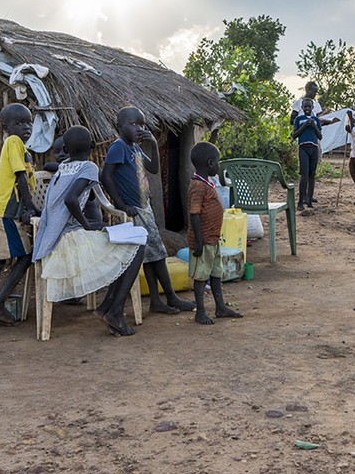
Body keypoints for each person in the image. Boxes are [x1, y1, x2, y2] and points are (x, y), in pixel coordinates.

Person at [33, 126, 146, 337]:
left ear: (65, 149)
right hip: (67, 240)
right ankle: (113, 311)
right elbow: (70, 200)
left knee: (122, 242)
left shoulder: (64, 166)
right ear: (93, 147)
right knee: (138, 244)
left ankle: (107, 309)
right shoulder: (89, 167)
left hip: (50, 237)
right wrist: (86, 224)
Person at [102, 106, 196, 315]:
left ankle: (157, 300)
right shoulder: (119, 147)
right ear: (120, 127)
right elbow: (105, 176)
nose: (139, 128)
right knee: (158, 254)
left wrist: (152, 143)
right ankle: (170, 296)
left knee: (154, 255)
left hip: (144, 207)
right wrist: (121, 205)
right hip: (135, 210)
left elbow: (153, 168)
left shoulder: (135, 148)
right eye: (133, 124)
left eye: (142, 124)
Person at [0, 104, 37, 328]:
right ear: (7, 128)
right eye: (19, 123)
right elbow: (20, 177)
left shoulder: (20, 147)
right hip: (6, 212)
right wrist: (30, 206)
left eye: (29, 122)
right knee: (25, 257)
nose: (26, 127)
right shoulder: (14, 142)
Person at [187, 141, 244, 325]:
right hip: (203, 241)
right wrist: (198, 241)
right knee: (201, 276)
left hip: (212, 239)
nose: (219, 166)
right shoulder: (197, 186)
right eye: (218, 162)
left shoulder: (206, 183)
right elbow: (194, 214)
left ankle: (220, 307)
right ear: (211, 163)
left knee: (216, 273)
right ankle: (200, 311)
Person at [292, 98, 322, 209]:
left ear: (312, 108)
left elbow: (320, 136)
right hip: (303, 148)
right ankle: (300, 201)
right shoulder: (298, 119)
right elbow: (294, 135)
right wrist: (305, 126)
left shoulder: (316, 120)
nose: (307, 109)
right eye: (305, 107)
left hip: (314, 148)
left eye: (309, 107)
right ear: (302, 108)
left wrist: (313, 126)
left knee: (312, 175)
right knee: (304, 175)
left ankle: (310, 201)